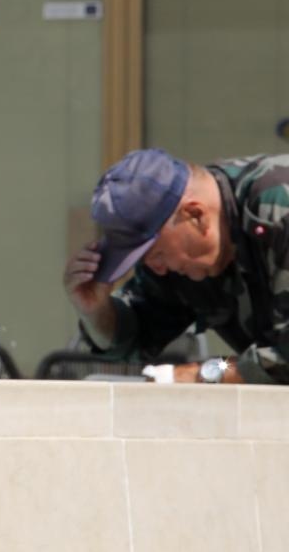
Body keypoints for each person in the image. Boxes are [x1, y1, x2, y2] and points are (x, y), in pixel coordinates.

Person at [63, 148, 289, 384]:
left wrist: (203, 373)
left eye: (157, 254)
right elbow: (135, 340)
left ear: (195, 215)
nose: (158, 269)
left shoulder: (280, 202)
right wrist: (96, 311)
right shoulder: (180, 252)